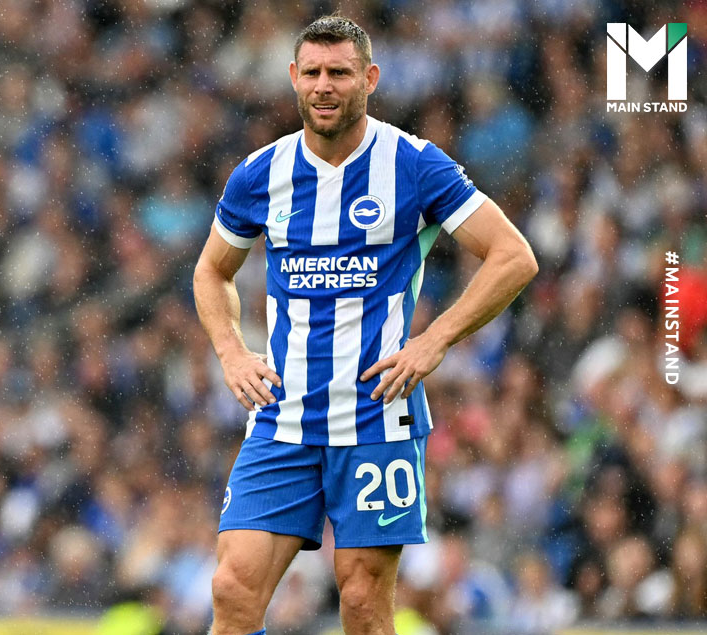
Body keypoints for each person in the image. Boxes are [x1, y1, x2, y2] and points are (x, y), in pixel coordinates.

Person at [192, 15, 538, 635]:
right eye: (313, 72)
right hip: (283, 415)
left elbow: (513, 256)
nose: (324, 86)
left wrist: (434, 340)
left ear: (370, 79)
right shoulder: (260, 173)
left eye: (340, 72)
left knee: (362, 600)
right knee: (232, 588)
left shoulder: (414, 164)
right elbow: (211, 272)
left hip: (377, 417)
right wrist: (232, 353)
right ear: (293, 77)